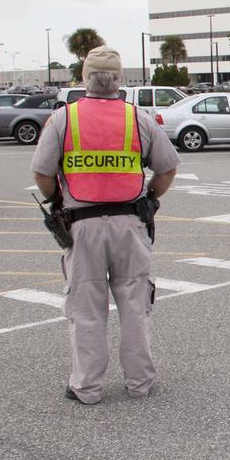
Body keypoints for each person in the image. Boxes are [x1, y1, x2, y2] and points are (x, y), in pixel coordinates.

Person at [31, 47, 180, 404]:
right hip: (130, 223)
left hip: (82, 226)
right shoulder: (138, 119)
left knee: (85, 309)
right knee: (135, 303)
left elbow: (42, 173)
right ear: (119, 80)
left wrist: (56, 199)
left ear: (84, 79)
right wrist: (151, 198)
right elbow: (167, 167)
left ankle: (87, 388)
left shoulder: (63, 119)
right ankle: (140, 383)